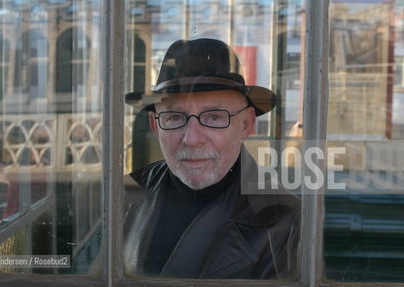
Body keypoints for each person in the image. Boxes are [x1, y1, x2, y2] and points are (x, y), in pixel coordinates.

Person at [124, 38, 301, 279]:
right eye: (175, 117)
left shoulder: (288, 218)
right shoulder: (125, 194)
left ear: (246, 125)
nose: (192, 138)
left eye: (215, 117)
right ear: (156, 127)